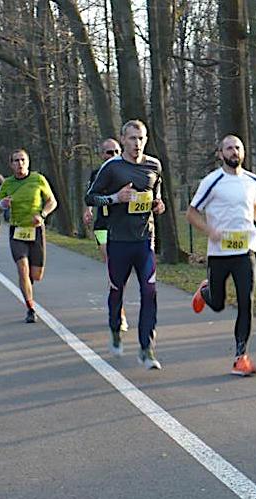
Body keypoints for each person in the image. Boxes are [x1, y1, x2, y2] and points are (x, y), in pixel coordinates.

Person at [186, 134, 256, 376]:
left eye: (238, 147)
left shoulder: (252, 180)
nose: (234, 152)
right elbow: (191, 213)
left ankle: (241, 357)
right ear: (220, 154)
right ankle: (205, 291)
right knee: (218, 304)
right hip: (219, 253)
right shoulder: (212, 181)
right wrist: (210, 231)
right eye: (229, 148)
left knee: (246, 302)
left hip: (245, 251)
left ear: (243, 152)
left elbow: (254, 207)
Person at [85, 119, 165, 370]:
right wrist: (115, 198)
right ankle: (115, 329)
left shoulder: (154, 165)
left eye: (141, 138)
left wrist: (158, 204)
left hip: (145, 240)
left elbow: (157, 192)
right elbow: (90, 197)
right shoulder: (111, 167)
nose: (137, 143)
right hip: (118, 240)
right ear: (123, 140)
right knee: (117, 289)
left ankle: (146, 348)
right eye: (132, 138)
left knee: (149, 292)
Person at [0, 149, 58, 323]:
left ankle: (27, 283)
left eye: (23, 160)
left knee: (35, 275)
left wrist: (42, 215)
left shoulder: (38, 179)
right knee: (22, 268)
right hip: (17, 230)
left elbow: (52, 201)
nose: (20, 164)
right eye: (16, 161)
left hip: (36, 230)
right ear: (11, 164)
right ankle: (30, 308)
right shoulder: (7, 184)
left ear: (28, 162)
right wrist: (2, 205)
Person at [83, 138, 128, 332]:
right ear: (102, 155)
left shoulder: (126, 171)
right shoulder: (97, 173)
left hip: (123, 226)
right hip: (103, 225)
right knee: (112, 264)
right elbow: (90, 195)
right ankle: (120, 313)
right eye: (109, 152)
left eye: (117, 151)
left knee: (121, 270)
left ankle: (117, 305)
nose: (113, 155)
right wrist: (88, 210)